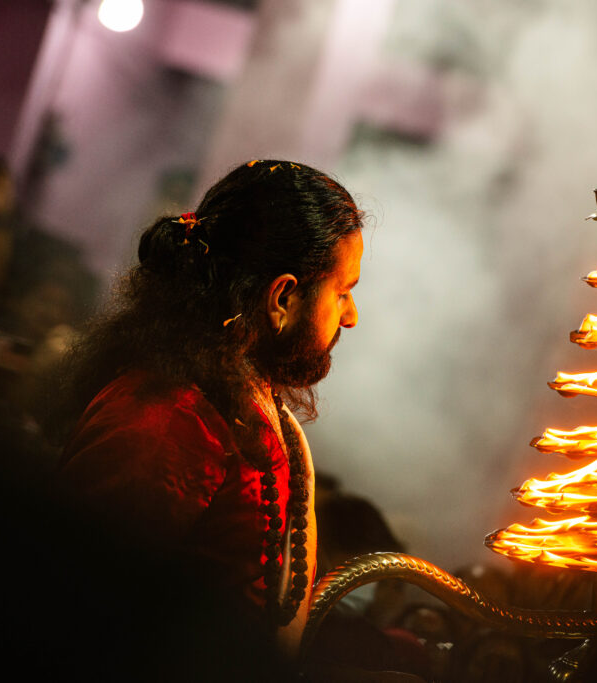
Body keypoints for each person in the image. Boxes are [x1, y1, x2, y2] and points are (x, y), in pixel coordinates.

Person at [49, 159, 363, 675]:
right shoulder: (167, 421)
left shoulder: (240, 398)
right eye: (343, 291)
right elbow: (74, 614)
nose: (351, 316)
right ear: (282, 297)